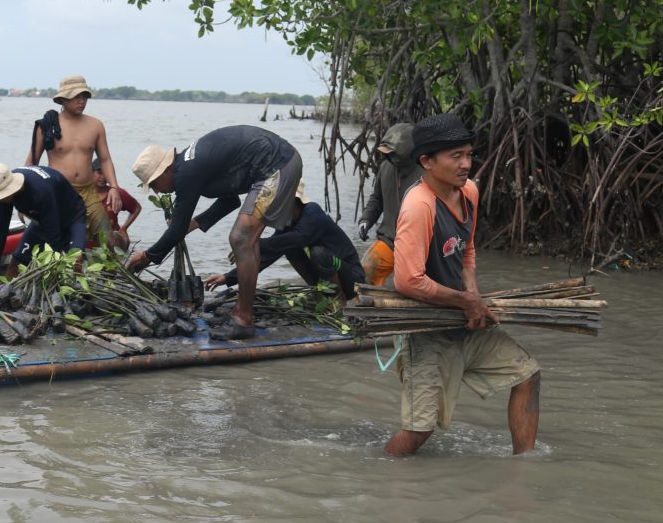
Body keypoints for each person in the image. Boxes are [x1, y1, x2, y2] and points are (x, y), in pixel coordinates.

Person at [384, 113, 541, 457]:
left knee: (527, 374)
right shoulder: (419, 206)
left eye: (469, 154)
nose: (466, 164)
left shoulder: (468, 191)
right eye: (455, 156)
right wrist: (465, 302)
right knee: (418, 431)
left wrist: (472, 296)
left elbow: (467, 249)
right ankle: (381, 475)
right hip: (426, 330)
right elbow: (408, 281)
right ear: (426, 161)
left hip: (462, 321)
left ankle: (525, 466)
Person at [126, 125, 303, 340]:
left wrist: (148, 256)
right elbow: (229, 201)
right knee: (246, 239)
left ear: (165, 170)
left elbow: (176, 230)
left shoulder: (186, 173)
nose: (156, 190)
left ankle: (244, 320)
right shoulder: (189, 165)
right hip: (278, 163)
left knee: (241, 238)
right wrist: (191, 225)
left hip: (278, 165)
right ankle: (240, 311)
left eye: (153, 184)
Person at [204, 182, 365, 299]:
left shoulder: (313, 213)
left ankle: (338, 302)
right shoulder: (288, 224)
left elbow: (299, 237)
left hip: (353, 279)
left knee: (319, 253)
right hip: (328, 279)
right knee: (290, 248)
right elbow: (268, 255)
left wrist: (253, 243)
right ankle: (319, 293)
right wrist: (228, 278)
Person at [24, 75, 123, 245]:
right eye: (76, 97)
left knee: (107, 242)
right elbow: (30, 165)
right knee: (54, 242)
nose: (81, 101)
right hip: (58, 192)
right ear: (63, 99)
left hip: (88, 192)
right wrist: (26, 198)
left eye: (84, 96)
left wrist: (114, 187)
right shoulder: (47, 126)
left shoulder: (95, 125)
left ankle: (108, 270)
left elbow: (105, 159)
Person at [0, 163, 87, 289]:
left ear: (9, 189)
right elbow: (1, 227)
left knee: (75, 262)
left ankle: (76, 294)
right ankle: (6, 293)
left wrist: (58, 262)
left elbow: (53, 236)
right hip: (42, 219)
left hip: (72, 216)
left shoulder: (40, 192)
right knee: (16, 261)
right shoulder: (2, 185)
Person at [357, 123, 422, 286]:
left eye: (393, 154)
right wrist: (366, 220)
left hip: (418, 245)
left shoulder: (427, 173)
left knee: (411, 286)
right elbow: (376, 198)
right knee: (365, 272)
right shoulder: (385, 167)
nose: (390, 157)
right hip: (389, 239)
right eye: (387, 153)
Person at [90, 157, 141, 250]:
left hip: (112, 244)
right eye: (99, 172)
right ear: (91, 172)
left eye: (106, 173)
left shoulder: (116, 193)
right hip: (90, 247)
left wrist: (124, 228)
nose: (103, 177)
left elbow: (136, 208)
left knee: (113, 236)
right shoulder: (84, 195)